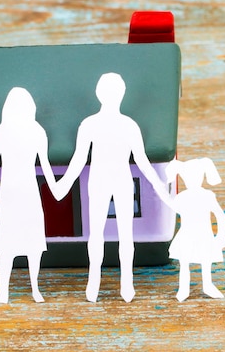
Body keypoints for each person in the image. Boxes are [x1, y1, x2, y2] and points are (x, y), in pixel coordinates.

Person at [52, 73, 169, 303]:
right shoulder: (91, 124)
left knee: (124, 234)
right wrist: (64, 185)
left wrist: (160, 186)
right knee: (98, 233)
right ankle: (94, 282)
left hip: (120, 182)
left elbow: (142, 161)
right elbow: (78, 159)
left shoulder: (127, 125)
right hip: (99, 181)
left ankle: (127, 284)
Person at [0, 87, 56, 304]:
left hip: (30, 193)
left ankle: (35, 289)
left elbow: (45, 165)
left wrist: (57, 187)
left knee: (34, 244)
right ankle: (3, 291)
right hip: (10, 195)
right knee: (7, 245)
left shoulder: (37, 131)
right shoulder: (0, 132)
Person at [165, 158, 225, 302]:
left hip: (203, 233)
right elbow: (173, 207)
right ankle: (183, 289)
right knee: (185, 261)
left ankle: (207, 285)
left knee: (205, 261)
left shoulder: (207, 195)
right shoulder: (183, 197)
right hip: (187, 234)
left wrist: (221, 233)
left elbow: (219, 213)